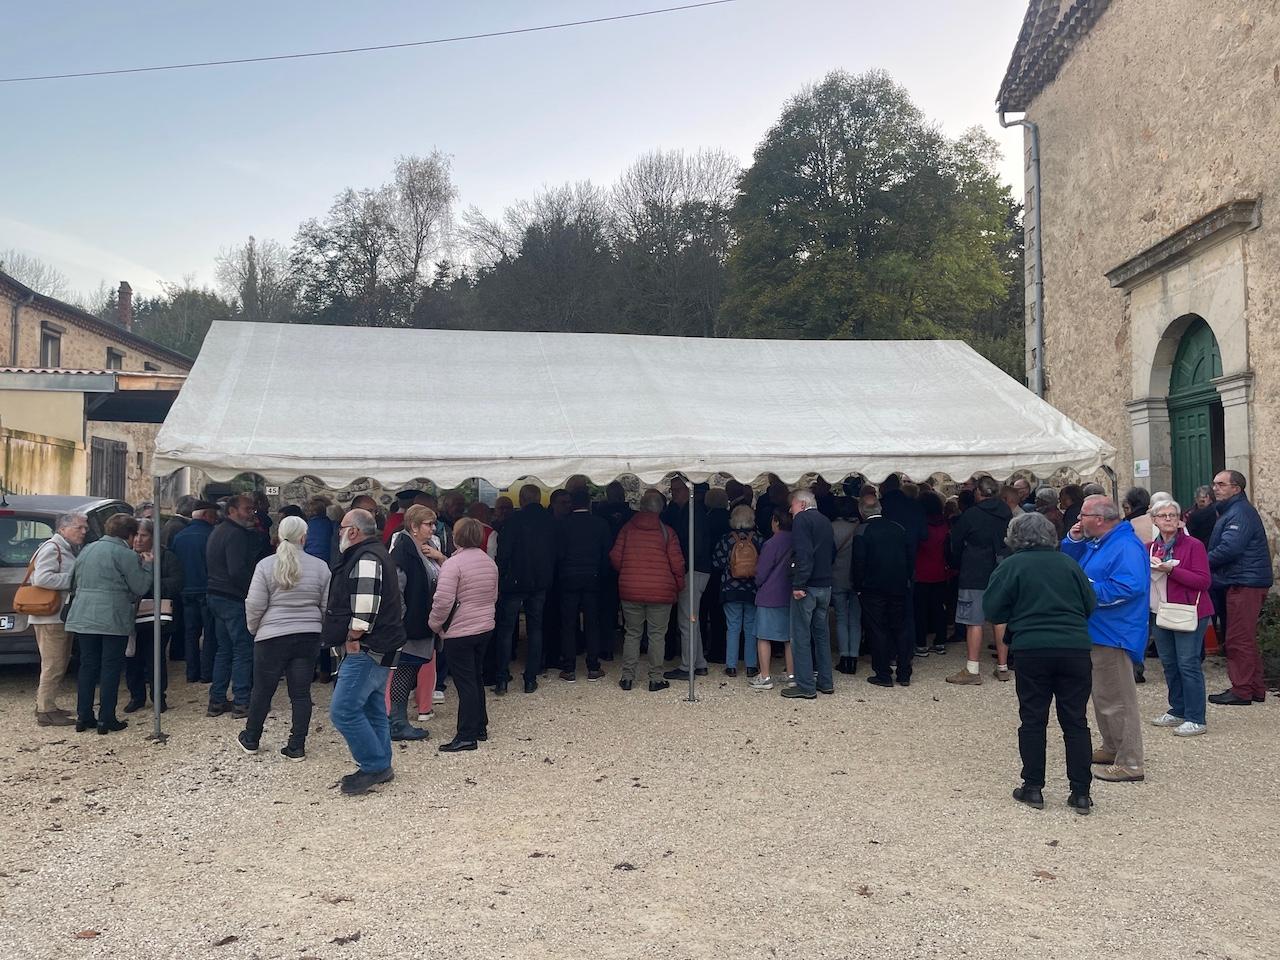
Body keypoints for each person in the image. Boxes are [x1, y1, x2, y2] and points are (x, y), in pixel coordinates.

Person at [983, 512, 1097, 815]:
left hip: (1032, 648)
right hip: (1073, 647)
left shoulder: (1011, 567)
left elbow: (993, 610)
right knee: (1075, 720)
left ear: (1014, 537)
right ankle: (1081, 792)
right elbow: (1090, 603)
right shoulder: (1069, 565)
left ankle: (1033, 787)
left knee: (1033, 718)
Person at [1061, 495, 1149, 783]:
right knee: (1103, 695)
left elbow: (1128, 587)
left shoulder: (1124, 546)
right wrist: (1073, 542)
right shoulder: (1102, 542)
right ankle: (1112, 747)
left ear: (1099, 519)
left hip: (1114, 633)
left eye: (1083, 515)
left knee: (1118, 698)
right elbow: (1071, 567)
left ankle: (1131, 761)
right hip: (1100, 630)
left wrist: (1087, 593)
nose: (1078, 520)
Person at [323, 509, 406, 795]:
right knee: (371, 706)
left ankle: (374, 765)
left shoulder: (367, 557)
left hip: (367, 647)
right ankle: (381, 763)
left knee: (343, 709)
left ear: (354, 531)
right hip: (380, 644)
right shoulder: (372, 554)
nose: (338, 533)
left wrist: (353, 636)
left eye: (341, 527)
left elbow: (366, 605)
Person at [238, 515, 331, 760]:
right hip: (307, 634)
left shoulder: (266, 565)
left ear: (278, 535)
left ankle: (251, 737)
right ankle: (296, 745)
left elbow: (255, 603)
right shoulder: (320, 566)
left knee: (262, 690)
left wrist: (255, 628)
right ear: (304, 537)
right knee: (300, 694)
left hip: (272, 634)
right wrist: (317, 627)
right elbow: (325, 605)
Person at [66, 513, 153, 735]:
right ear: (131, 535)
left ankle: (83, 716)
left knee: (87, 665)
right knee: (110, 667)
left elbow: (71, 581)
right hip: (112, 615)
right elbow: (140, 586)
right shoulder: (126, 554)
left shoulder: (87, 549)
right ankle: (106, 718)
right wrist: (148, 566)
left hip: (83, 613)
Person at [431, 518, 500, 752]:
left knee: (465, 682)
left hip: (460, 630)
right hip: (484, 627)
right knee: (476, 677)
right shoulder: (489, 562)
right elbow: (493, 595)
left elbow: (442, 600)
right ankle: (480, 725)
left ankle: (467, 734)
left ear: (456, 537)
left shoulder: (454, 564)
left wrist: (434, 624)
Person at [1146, 499, 1213, 736]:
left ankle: (1196, 717)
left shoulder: (1193, 545)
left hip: (1188, 611)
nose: (1168, 519)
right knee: (1170, 664)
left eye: (1172, 515)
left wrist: (1171, 570)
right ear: (1154, 520)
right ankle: (1178, 709)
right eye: (1162, 515)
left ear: (1179, 519)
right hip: (1160, 611)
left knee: (1188, 663)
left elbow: (1203, 581)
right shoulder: (1150, 548)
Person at [1206, 470, 1273, 706]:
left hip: (1245, 582)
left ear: (1237, 488)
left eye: (1221, 484)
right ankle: (1255, 688)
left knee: (1237, 639)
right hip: (1243, 580)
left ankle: (1242, 690)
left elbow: (1230, 549)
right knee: (1245, 637)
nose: (1215, 488)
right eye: (1214, 484)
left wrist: (1200, 561)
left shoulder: (1239, 512)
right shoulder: (1233, 511)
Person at [610, 489, 685, 692]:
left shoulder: (627, 528)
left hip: (630, 589)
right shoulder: (667, 531)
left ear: (641, 507)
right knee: (657, 635)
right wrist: (679, 585)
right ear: (660, 509)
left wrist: (629, 572)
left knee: (632, 633)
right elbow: (677, 564)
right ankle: (655, 678)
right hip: (660, 590)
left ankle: (627, 677)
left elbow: (616, 558)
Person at [946, 476, 1014, 684]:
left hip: (974, 570)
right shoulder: (1006, 512)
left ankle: (972, 669)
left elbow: (954, 541)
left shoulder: (972, 515)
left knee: (973, 620)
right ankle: (1002, 667)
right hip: (1001, 569)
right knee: (1000, 619)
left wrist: (954, 561)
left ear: (979, 492)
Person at [387, 505, 448, 737]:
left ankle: (397, 721)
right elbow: (396, 589)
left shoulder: (428, 547)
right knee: (404, 670)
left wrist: (440, 558)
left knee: (410, 669)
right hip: (410, 624)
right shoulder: (403, 550)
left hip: (422, 621)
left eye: (434, 524)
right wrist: (402, 620)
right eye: (428, 524)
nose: (433, 528)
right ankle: (397, 722)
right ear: (413, 526)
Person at [493, 484, 558, 694]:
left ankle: (502, 678)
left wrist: (501, 576)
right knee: (535, 628)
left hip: (514, 582)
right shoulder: (551, 522)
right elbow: (556, 553)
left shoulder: (513, 522)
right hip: (540, 582)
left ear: (521, 499)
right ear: (539, 499)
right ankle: (530, 678)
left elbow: (503, 554)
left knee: (506, 630)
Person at [28, 512, 88, 726]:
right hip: (50, 616)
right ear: (63, 529)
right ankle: (45, 710)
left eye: (85, 528)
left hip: (57, 615)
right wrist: (73, 580)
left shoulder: (64, 548)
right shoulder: (53, 548)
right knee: (53, 664)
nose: (84, 531)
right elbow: (41, 578)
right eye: (79, 527)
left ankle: (46, 706)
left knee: (58, 663)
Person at [205, 494, 261, 719]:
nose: (251, 514)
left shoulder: (217, 531)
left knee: (224, 649)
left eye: (253, 510)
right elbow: (236, 570)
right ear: (231, 511)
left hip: (216, 595)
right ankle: (241, 702)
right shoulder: (236, 534)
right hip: (231, 597)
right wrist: (253, 589)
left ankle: (216, 701)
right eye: (247, 509)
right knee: (241, 650)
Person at [124, 519, 182, 713]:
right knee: (132, 658)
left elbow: (176, 583)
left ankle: (158, 696)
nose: (139, 540)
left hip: (157, 615)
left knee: (155, 658)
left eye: (144, 535)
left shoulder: (167, 557)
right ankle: (136, 696)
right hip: (130, 615)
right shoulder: (126, 556)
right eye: (136, 535)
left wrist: (147, 581)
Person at [854, 499, 914, 688]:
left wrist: (858, 585)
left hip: (873, 587)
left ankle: (883, 673)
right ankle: (904, 672)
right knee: (901, 628)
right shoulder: (899, 528)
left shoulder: (863, 531)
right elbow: (909, 556)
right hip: (898, 585)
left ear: (862, 512)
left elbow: (858, 562)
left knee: (878, 630)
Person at [555, 488, 612, 683]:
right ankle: (593, 666)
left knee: (568, 624)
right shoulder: (600, 524)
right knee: (592, 623)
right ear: (589, 503)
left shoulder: (563, 525)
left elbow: (559, 554)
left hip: (568, 578)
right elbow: (606, 555)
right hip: (593, 577)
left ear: (572, 504)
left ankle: (569, 668)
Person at [783, 490, 835, 699]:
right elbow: (831, 551)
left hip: (808, 586)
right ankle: (826, 680)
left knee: (801, 635)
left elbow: (803, 553)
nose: (790, 509)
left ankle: (805, 685)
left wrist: (799, 583)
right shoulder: (825, 520)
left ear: (802, 505)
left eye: (793, 505)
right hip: (825, 584)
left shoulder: (802, 520)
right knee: (821, 635)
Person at [662, 477, 712, 682]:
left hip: (694, 569)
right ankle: (698, 662)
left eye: (676, 490)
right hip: (697, 568)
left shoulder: (693, 513)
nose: (673, 494)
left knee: (687, 621)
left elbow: (695, 546)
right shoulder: (690, 511)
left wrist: (680, 567)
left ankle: (687, 665)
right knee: (692, 619)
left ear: (686, 490)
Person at [712, 504, 763, 677]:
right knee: (750, 627)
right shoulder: (758, 539)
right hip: (752, 588)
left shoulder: (727, 539)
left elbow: (717, 563)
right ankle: (751, 665)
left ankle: (731, 666)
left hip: (730, 588)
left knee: (732, 627)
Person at [171, 501, 218, 683]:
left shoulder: (180, 537)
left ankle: (191, 673)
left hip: (187, 590)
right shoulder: (211, 535)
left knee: (191, 634)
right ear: (206, 515)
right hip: (207, 588)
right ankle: (207, 673)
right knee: (209, 634)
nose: (215, 520)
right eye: (213, 516)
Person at [751, 510, 794, 690]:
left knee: (764, 636)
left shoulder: (771, 543)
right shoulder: (796, 540)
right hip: (790, 593)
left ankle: (765, 675)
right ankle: (792, 674)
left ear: (776, 522)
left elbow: (761, 572)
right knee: (789, 638)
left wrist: (757, 581)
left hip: (770, 593)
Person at [593, 481, 634, 659]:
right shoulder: (632, 515)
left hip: (607, 567)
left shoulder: (599, 514)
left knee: (607, 611)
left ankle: (607, 649)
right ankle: (633, 646)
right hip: (629, 566)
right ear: (623, 495)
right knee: (631, 612)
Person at [913, 492, 950, 657]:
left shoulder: (920, 525)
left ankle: (921, 643)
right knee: (939, 609)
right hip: (940, 571)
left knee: (920, 610)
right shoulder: (944, 525)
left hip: (921, 572)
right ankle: (940, 641)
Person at [830, 498, 862, 674]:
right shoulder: (859, 527)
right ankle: (854, 657)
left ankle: (844, 656)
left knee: (841, 617)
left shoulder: (832, 527)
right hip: (856, 577)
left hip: (837, 576)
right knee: (855, 619)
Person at [1184, 485, 1217, 550]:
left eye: (1203, 500)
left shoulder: (1216, 511)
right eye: (1198, 498)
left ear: (1210, 498)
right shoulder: (1190, 513)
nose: (1200, 502)